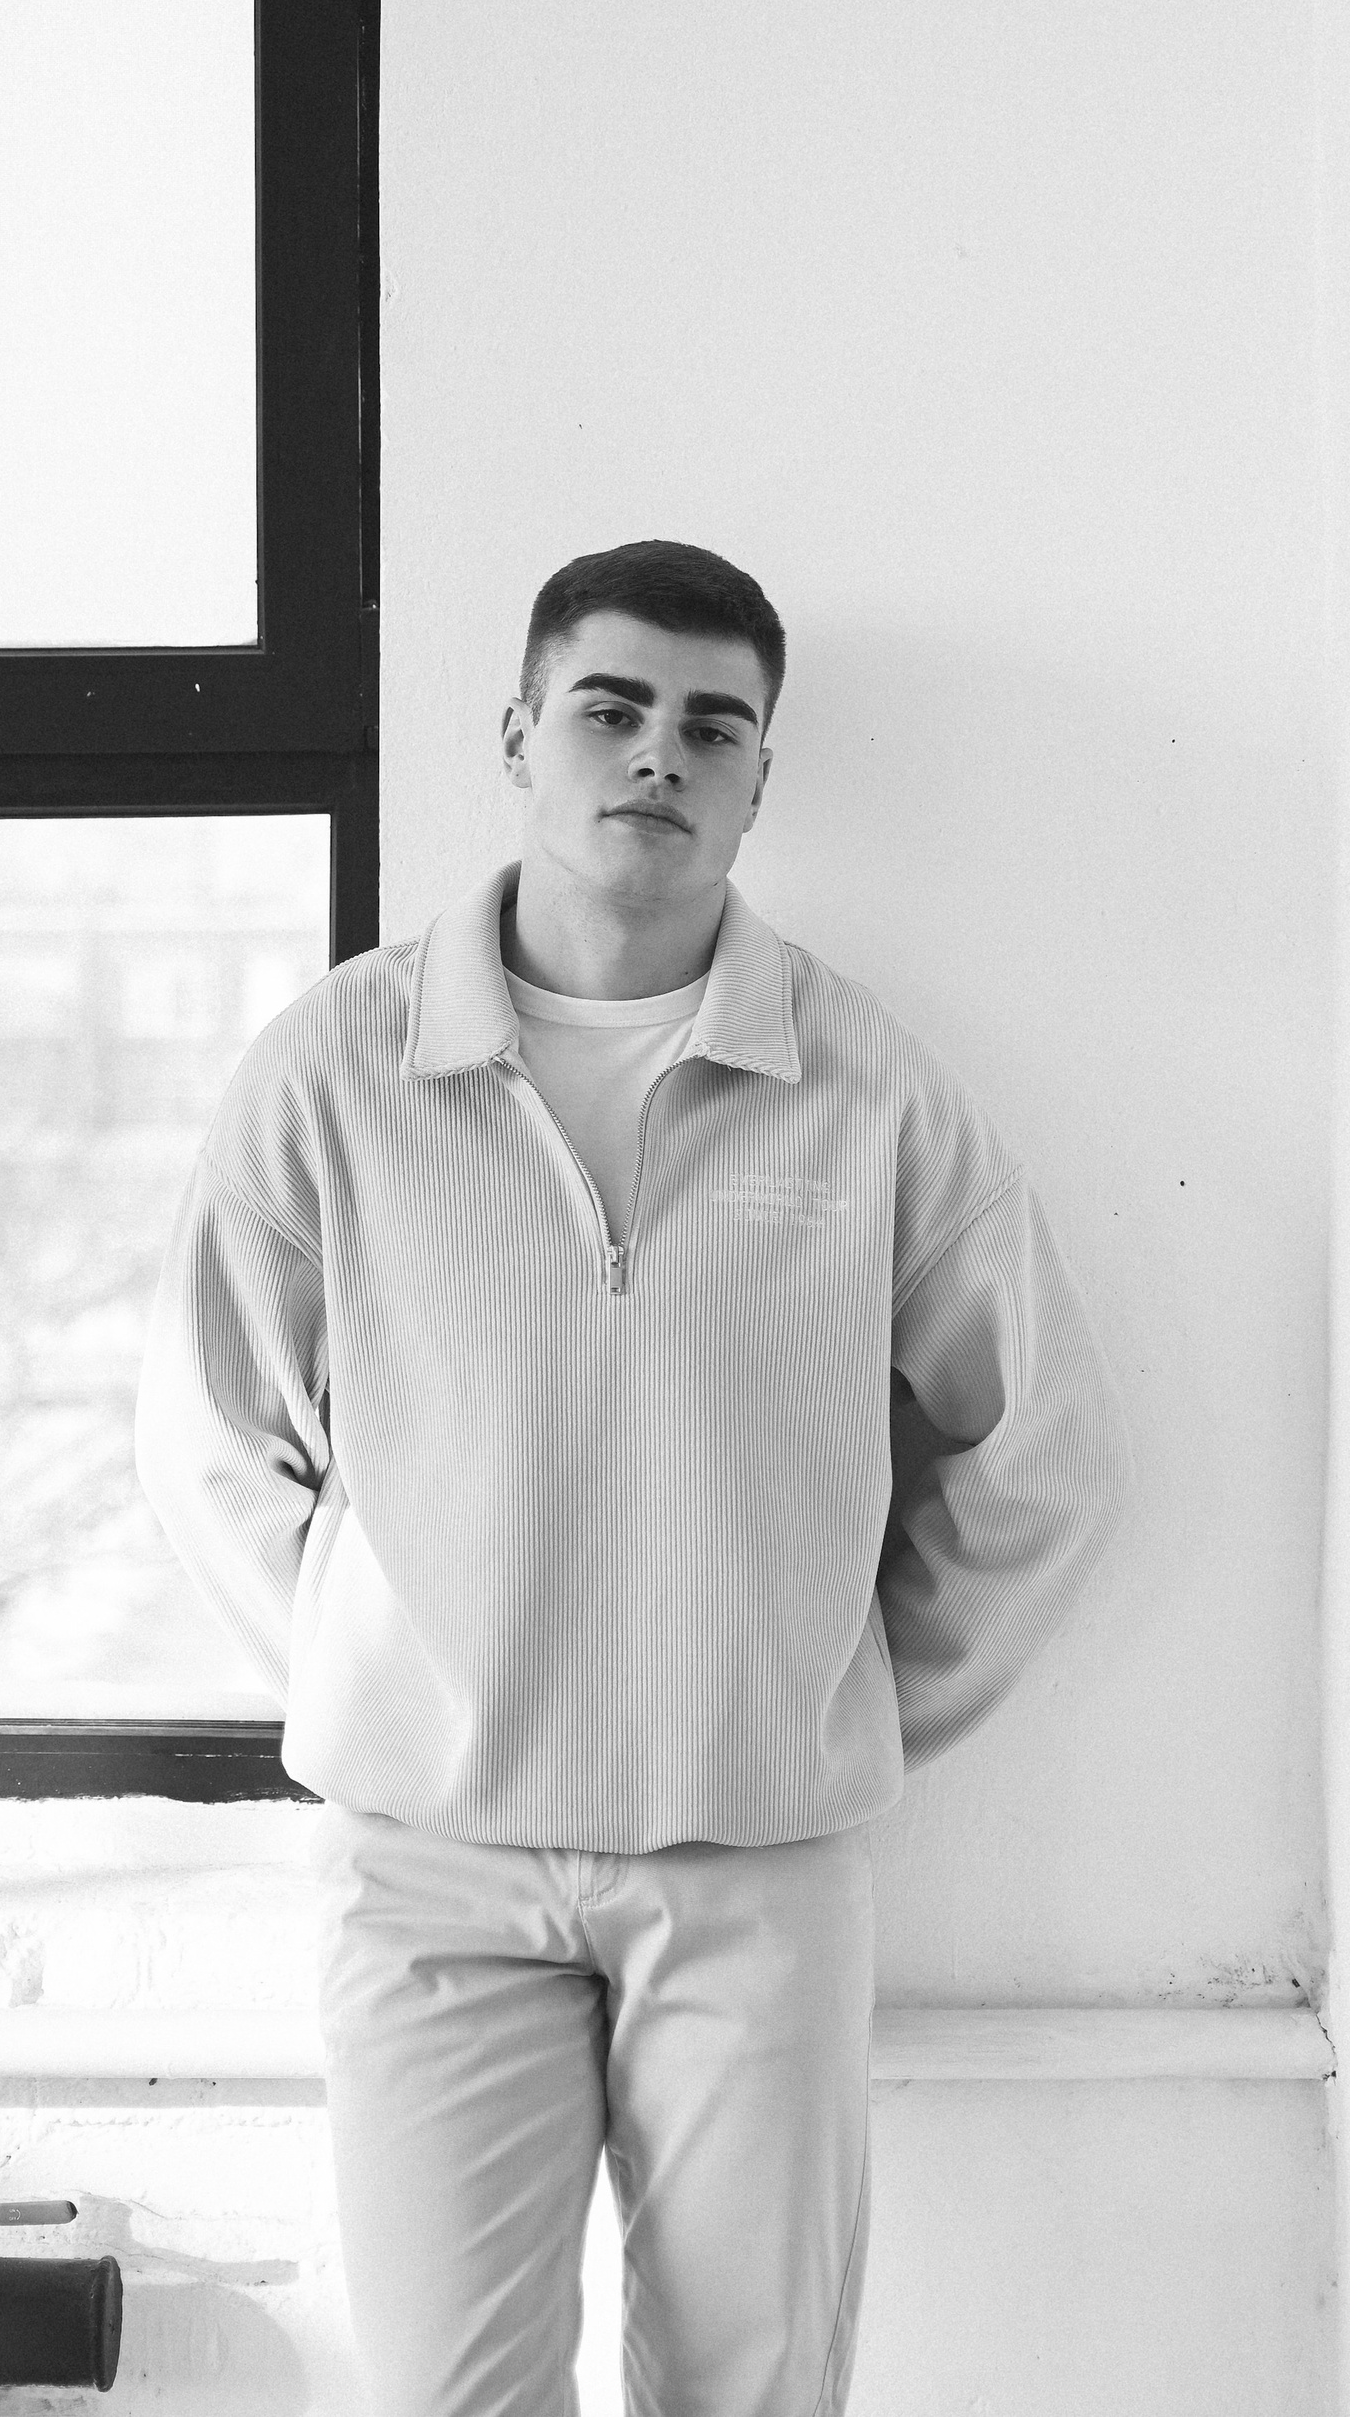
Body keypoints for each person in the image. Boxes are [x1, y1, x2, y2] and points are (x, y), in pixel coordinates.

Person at [134, 536, 1130, 2417]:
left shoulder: (864, 1083)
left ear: (759, 780)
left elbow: (1042, 1451)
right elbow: (210, 1432)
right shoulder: (336, 1066)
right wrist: (395, 1684)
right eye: (611, 707)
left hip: (755, 1870)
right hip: (434, 1873)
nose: (659, 753)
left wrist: (816, 1705)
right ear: (521, 734)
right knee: (451, 2397)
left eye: (711, 726)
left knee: (753, 2394)